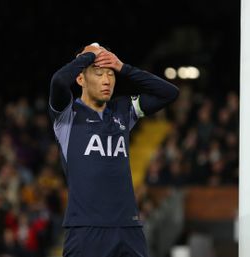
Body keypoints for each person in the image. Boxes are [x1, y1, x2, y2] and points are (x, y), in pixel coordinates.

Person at [48, 42, 179, 257]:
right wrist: (88, 56)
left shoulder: (123, 109)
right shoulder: (67, 115)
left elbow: (169, 93)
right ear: (80, 79)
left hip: (128, 228)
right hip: (86, 230)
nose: (107, 80)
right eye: (98, 74)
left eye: (110, 74)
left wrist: (123, 67)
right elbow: (58, 81)